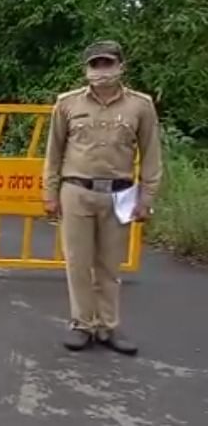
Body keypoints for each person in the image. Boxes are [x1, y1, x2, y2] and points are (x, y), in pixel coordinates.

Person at [42, 40, 162, 355]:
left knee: (109, 266)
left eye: (108, 64)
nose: (101, 71)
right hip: (76, 191)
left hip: (119, 194)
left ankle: (108, 327)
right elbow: (53, 152)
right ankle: (82, 324)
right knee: (78, 263)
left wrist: (146, 198)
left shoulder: (140, 106)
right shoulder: (67, 104)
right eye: (95, 65)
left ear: (121, 67)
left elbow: (151, 154)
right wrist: (50, 193)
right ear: (86, 70)